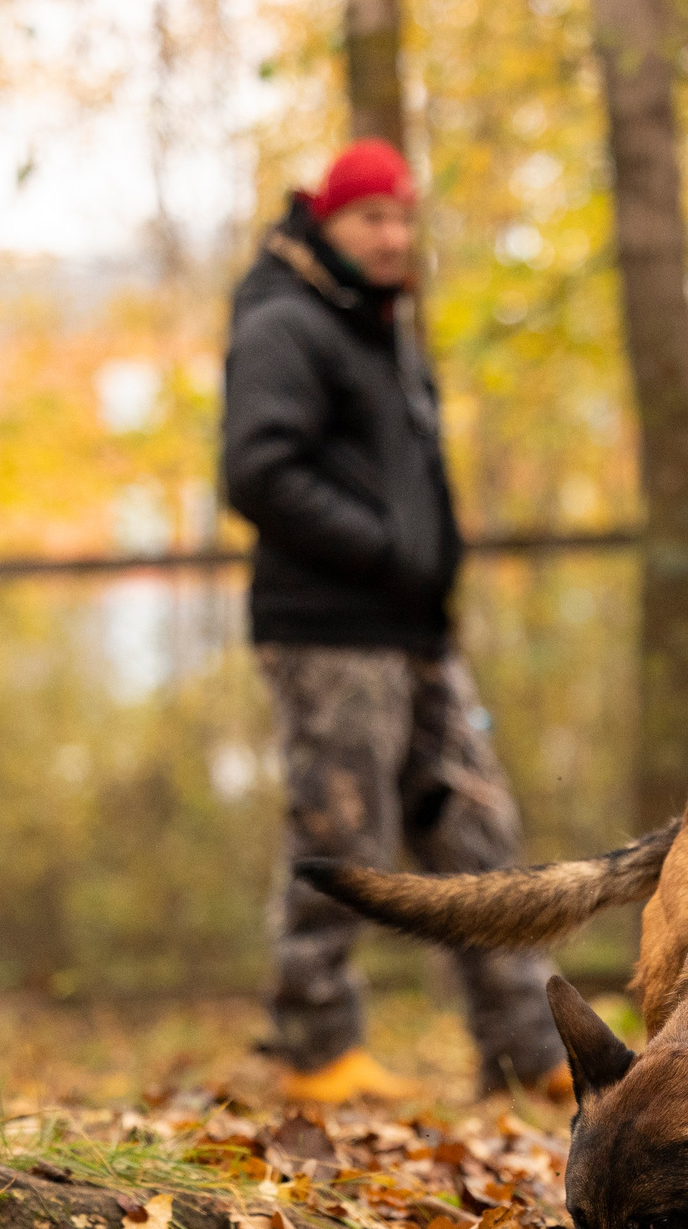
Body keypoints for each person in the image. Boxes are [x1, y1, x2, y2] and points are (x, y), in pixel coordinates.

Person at [221, 140, 569, 1108]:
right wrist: (384, 550)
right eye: (370, 218)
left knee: (478, 829)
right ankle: (317, 1047)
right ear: (325, 224)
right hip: (329, 628)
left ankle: (528, 1046)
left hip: (414, 632)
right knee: (346, 833)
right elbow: (257, 471)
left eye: (402, 218)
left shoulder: (378, 330)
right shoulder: (287, 324)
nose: (391, 236)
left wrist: (421, 575)